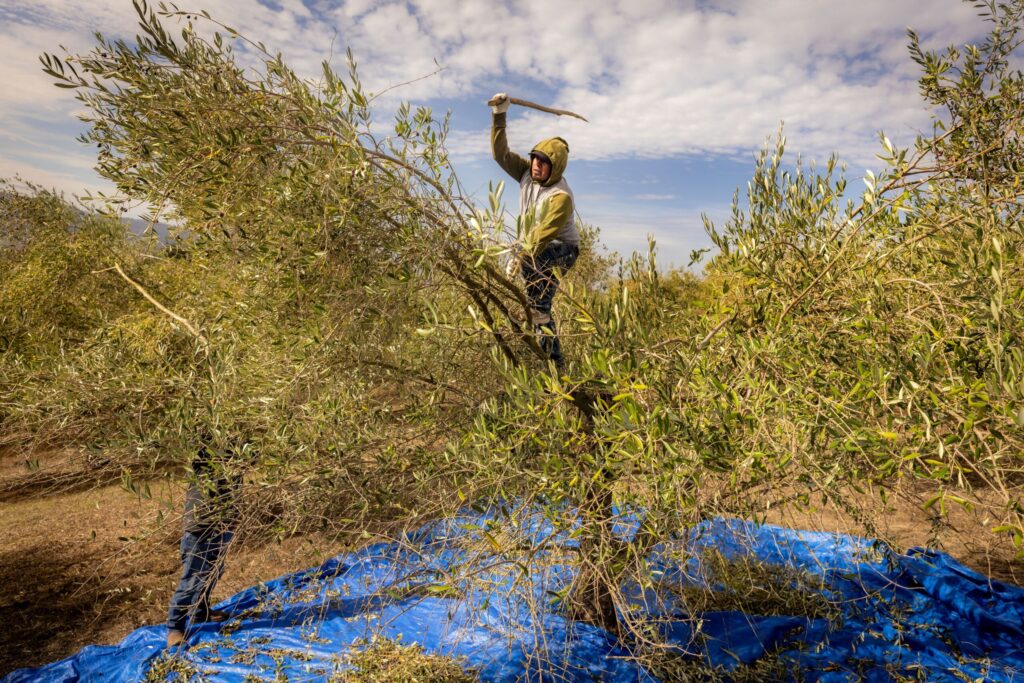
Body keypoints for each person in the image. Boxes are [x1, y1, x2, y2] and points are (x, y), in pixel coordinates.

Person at [490, 92, 580, 369]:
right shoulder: (527, 175)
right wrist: (499, 116)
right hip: (534, 247)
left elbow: (543, 235)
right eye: (534, 158)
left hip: (562, 250)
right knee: (534, 295)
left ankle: (555, 364)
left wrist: (518, 258)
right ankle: (542, 341)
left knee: (539, 300)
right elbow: (500, 154)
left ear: (556, 166)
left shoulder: (560, 196)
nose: (536, 165)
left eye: (543, 161)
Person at [165, 444, 243, 647]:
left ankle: (201, 612)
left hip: (224, 521)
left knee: (214, 571)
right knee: (193, 577)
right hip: (200, 524)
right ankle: (175, 627)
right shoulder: (204, 447)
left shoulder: (237, 448)